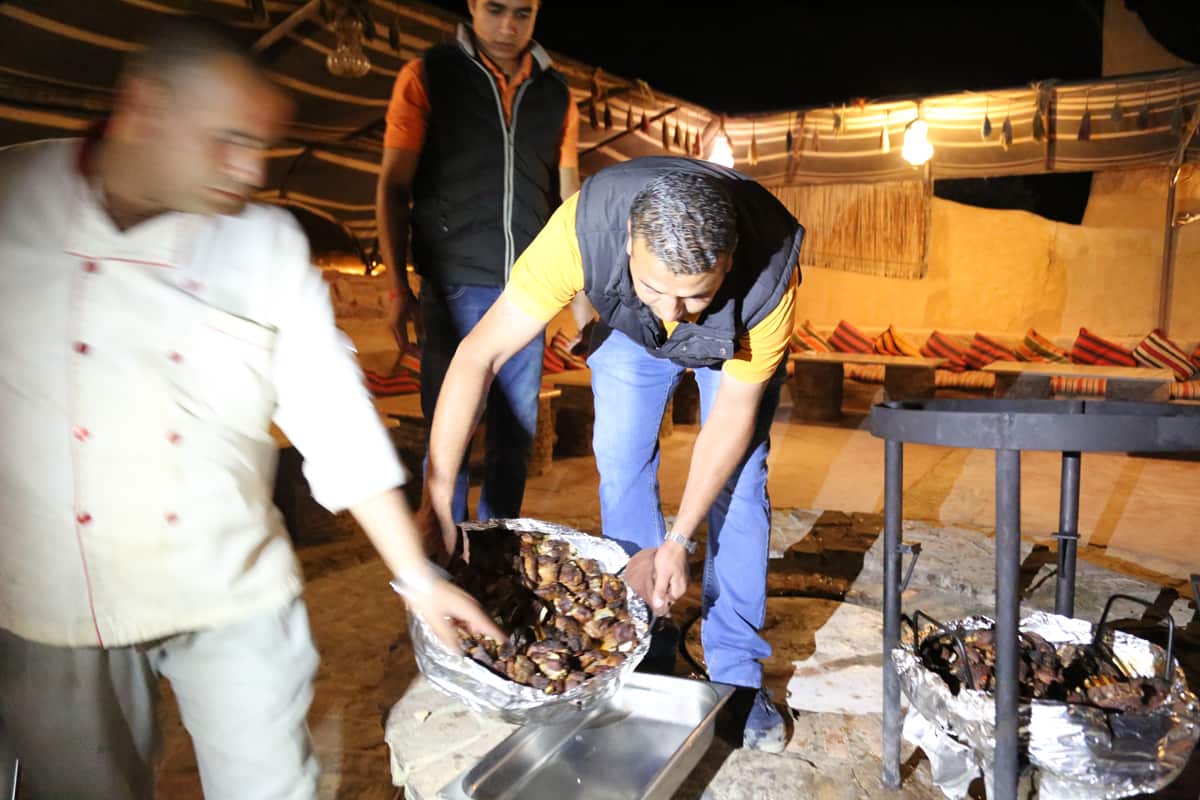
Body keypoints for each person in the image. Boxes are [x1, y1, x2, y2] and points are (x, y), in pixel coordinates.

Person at [0, 18, 499, 800]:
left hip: (229, 582)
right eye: (228, 140)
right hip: (56, 598)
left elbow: (334, 414)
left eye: (260, 144)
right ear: (146, 110)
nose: (252, 170)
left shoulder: (263, 241)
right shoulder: (14, 197)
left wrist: (417, 579)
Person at [420, 156, 805, 753]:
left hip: (734, 343)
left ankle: (736, 676)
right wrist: (437, 497)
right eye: (656, 288)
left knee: (741, 486)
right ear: (628, 241)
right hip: (625, 334)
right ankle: (643, 640)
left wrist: (679, 539)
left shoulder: (769, 276)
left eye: (693, 295)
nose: (671, 315)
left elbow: (728, 418)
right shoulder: (580, 231)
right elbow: (479, 356)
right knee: (622, 461)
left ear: (727, 263)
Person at [376, 0, 579, 524]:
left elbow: (568, 202)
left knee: (514, 442)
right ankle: (444, 552)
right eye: (495, 10)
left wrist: (581, 302)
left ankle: (497, 554)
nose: (508, 26)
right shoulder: (428, 76)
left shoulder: (557, 95)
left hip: (531, 293)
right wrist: (398, 288)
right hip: (453, 287)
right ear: (472, 6)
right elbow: (394, 187)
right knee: (451, 438)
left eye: (524, 12)